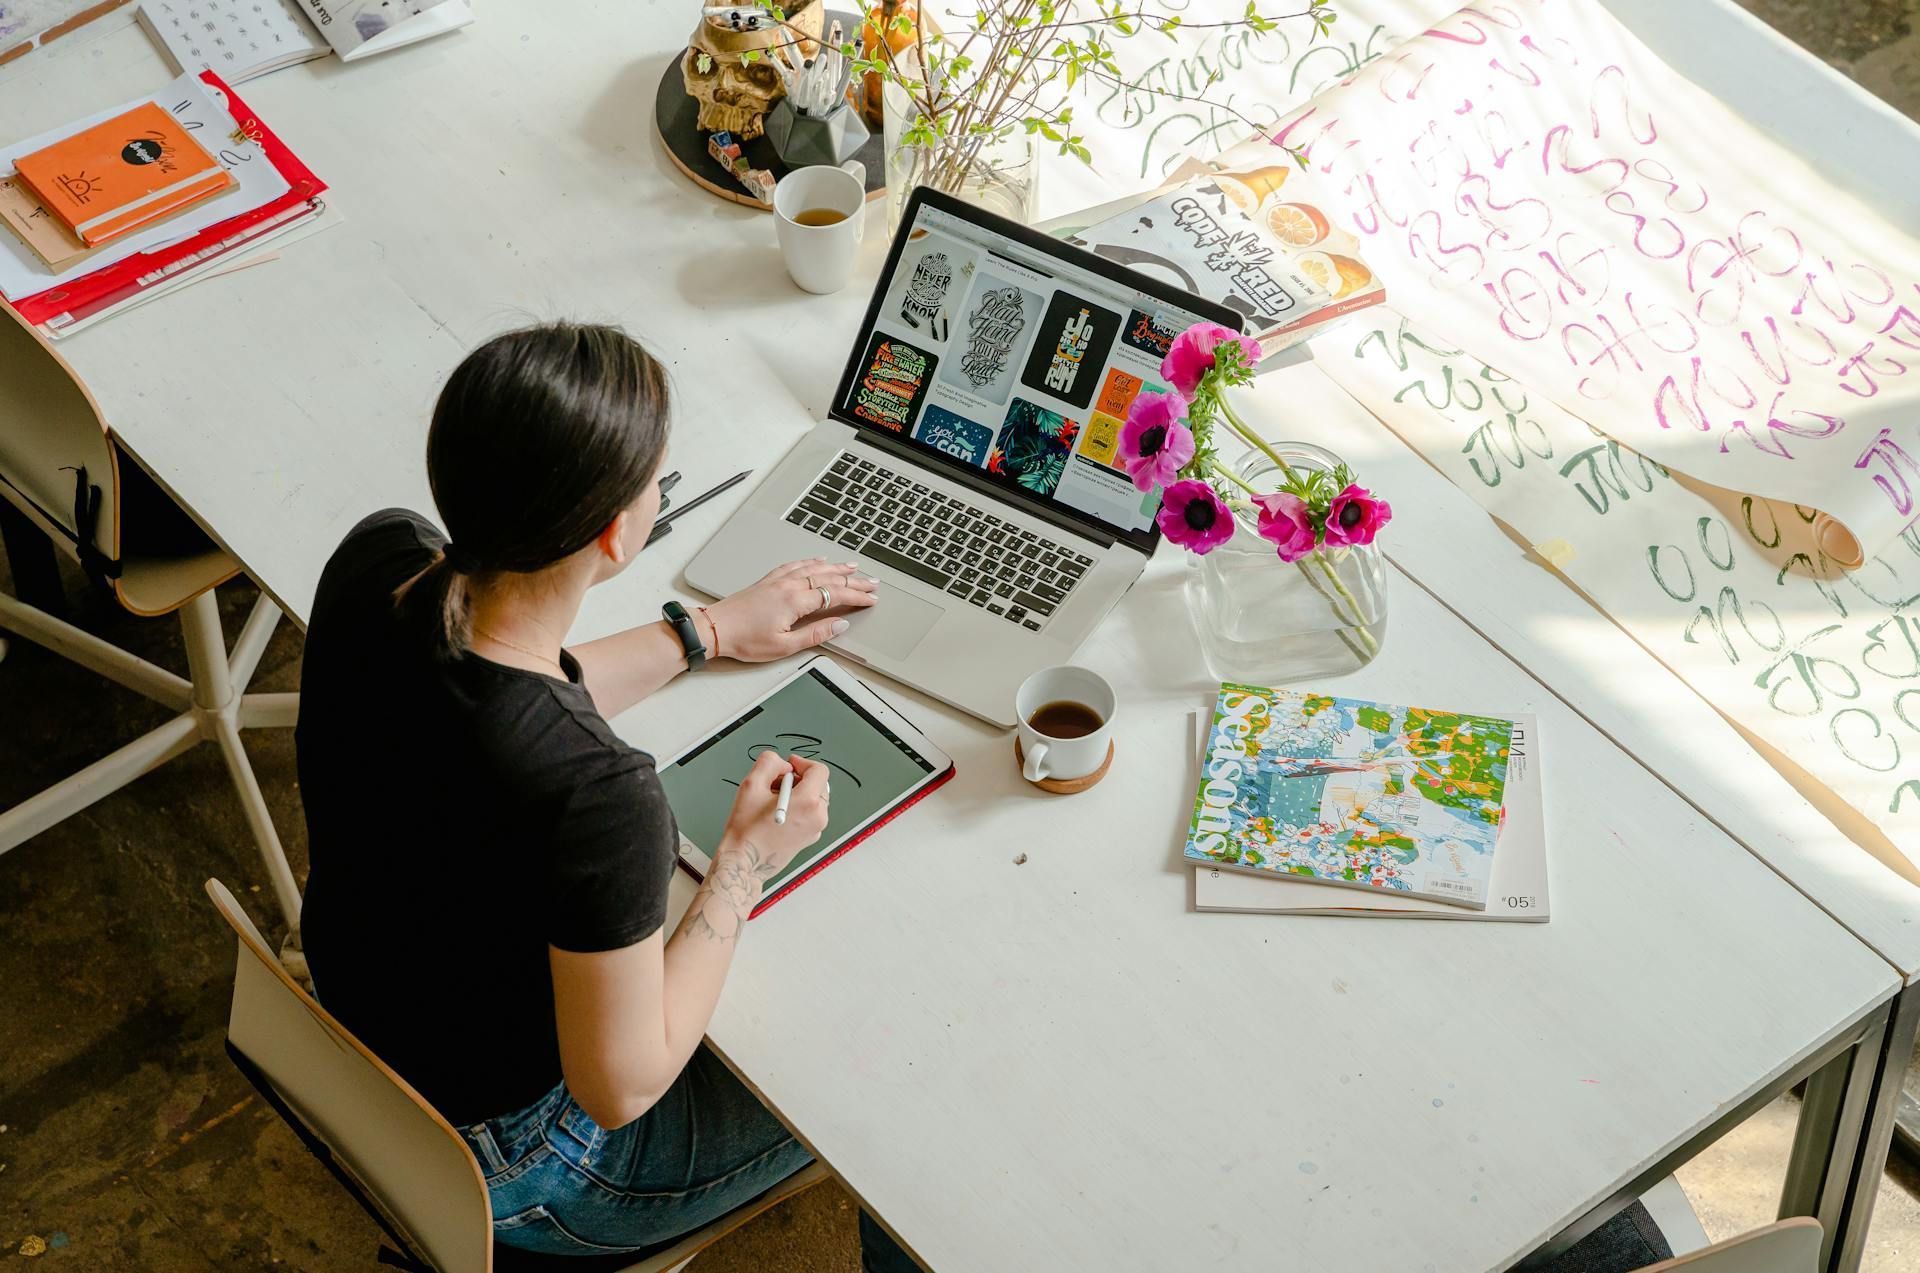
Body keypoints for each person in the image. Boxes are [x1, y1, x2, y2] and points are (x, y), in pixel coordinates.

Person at [294, 321, 914, 1268]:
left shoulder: (380, 564)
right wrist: (745, 861)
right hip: (531, 1161)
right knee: (888, 1081)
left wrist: (705, 631)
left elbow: (501, 680)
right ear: (619, 533)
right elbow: (619, 1087)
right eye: (658, 479)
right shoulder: (600, 795)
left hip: (359, 1040)